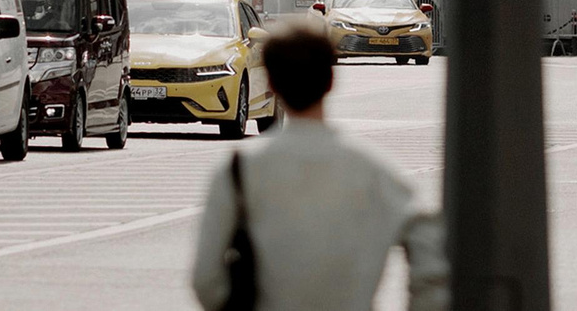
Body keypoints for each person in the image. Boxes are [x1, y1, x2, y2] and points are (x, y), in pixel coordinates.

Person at [190, 20, 447, 311]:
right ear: (331, 80)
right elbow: (430, 249)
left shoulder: (238, 170)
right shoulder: (372, 169)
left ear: (271, 83)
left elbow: (205, 280)